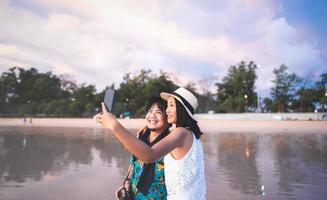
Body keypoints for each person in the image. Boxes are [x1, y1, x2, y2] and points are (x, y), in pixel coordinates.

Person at [96, 87, 206, 199]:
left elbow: (149, 155)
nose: (168, 110)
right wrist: (127, 182)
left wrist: (114, 125)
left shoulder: (180, 133)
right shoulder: (187, 135)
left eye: (171, 105)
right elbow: (134, 162)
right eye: (167, 106)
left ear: (182, 108)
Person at [119, 97, 169, 199]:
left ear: (168, 117)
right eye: (150, 111)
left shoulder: (171, 142)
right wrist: (126, 182)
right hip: (132, 194)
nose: (152, 115)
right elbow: (133, 162)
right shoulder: (141, 135)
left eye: (158, 112)